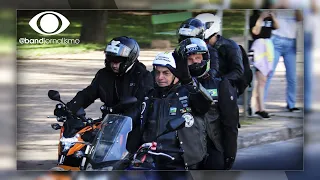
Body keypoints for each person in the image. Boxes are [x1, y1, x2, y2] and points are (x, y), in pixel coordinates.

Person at [61, 36, 154, 153]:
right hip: (108, 122)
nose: (113, 64)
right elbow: (88, 94)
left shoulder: (143, 76)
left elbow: (142, 104)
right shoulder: (103, 74)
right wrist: (69, 108)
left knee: (130, 154)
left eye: (118, 60)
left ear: (130, 58)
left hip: (133, 125)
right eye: (111, 59)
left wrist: (124, 120)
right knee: (81, 140)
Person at [140, 50, 213, 170]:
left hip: (182, 160)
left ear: (176, 74)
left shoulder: (189, 92)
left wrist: (189, 82)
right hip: (153, 158)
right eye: (157, 72)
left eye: (166, 73)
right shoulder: (150, 95)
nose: (160, 77)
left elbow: (205, 104)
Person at [195, 13, 243, 169]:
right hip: (206, 89)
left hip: (224, 91)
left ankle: (226, 155)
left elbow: (238, 71)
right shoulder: (200, 47)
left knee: (228, 126)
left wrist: (222, 83)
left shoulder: (230, 46)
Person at [179, 37, 225, 169]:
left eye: (198, 58)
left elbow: (230, 121)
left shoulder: (219, 84)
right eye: (190, 59)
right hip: (188, 147)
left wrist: (229, 152)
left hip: (213, 144)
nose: (195, 62)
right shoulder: (177, 85)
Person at [263, 9, 302, 112]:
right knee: (268, 73)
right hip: (276, 39)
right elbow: (269, 13)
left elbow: (300, 18)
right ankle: (259, 104)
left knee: (292, 76)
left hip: (291, 42)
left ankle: (291, 104)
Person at [249, 10, 279, 119]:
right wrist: (261, 18)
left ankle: (258, 107)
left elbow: (277, 26)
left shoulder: (270, 17)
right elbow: (255, 32)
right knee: (261, 80)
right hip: (259, 46)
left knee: (263, 80)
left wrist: (273, 16)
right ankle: (260, 108)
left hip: (268, 46)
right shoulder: (254, 17)